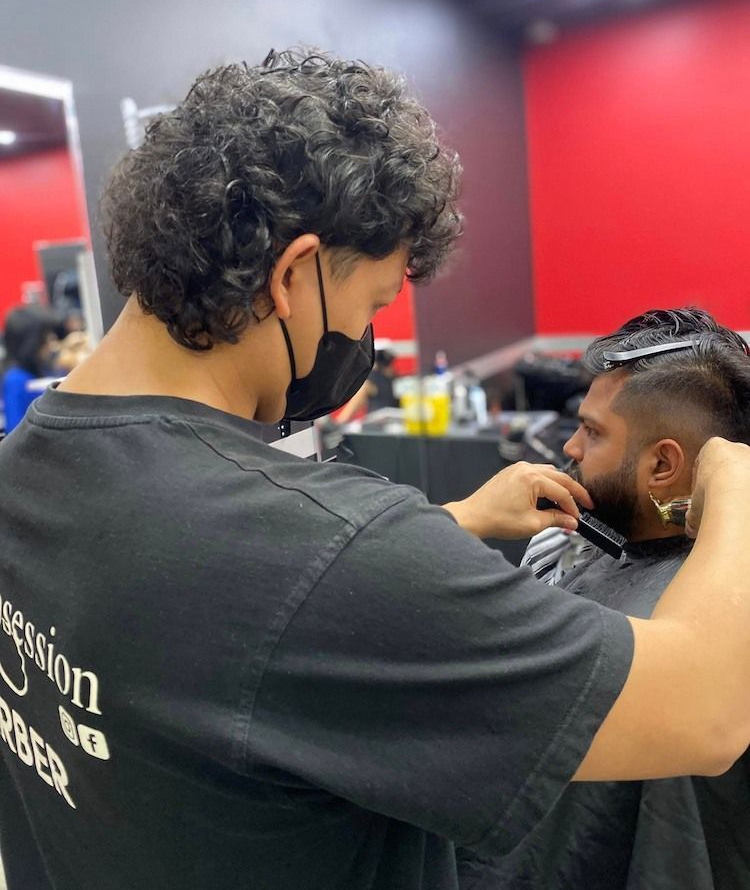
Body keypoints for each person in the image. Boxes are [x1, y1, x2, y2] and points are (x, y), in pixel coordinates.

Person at [0, 50, 750, 890]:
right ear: (292, 275)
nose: (365, 342)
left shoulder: (23, 468)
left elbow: (206, 624)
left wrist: (450, 523)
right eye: (375, 306)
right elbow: (706, 710)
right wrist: (737, 490)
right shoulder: (321, 554)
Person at [460, 306, 750, 889]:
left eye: (592, 432)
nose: (568, 445)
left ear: (662, 464)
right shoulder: (572, 546)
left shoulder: (689, 632)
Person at [1, 306, 60, 433]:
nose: (51, 342)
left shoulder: (38, 370)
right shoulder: (15, 380)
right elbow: (14, 430)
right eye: (45, 338)